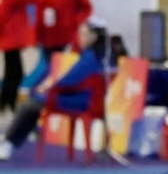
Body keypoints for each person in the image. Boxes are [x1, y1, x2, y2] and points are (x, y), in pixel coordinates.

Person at [0, 16, 108, 161]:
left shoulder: (89, 58)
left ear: (94, 37)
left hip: (78, 101)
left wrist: (50, 88)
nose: (81, 37)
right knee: (34, 105)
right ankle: (10, 142)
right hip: (83, 100)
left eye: (84, 34)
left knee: (30, 106)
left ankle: (8, 143)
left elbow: (71, 81)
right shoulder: (98, 57)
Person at [0, 0, 32, 122]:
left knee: (11, 73)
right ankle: (8, 107)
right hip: (10, 39)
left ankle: (6, 106)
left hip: (8, 39)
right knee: (15, 73)